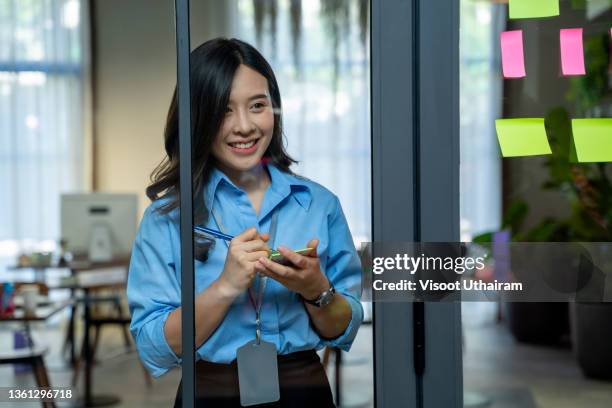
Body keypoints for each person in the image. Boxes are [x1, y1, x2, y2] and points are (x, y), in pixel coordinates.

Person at [127, 37, 363, 407]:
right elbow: (153, 347)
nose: (245, 126)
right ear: (199, 118)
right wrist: (224, 286)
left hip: (305, 391)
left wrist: (317, 289)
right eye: (224, 111)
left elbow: (343, 329)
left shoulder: (319, 205)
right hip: (209, 392)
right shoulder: (167, 218)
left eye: (258, 106)